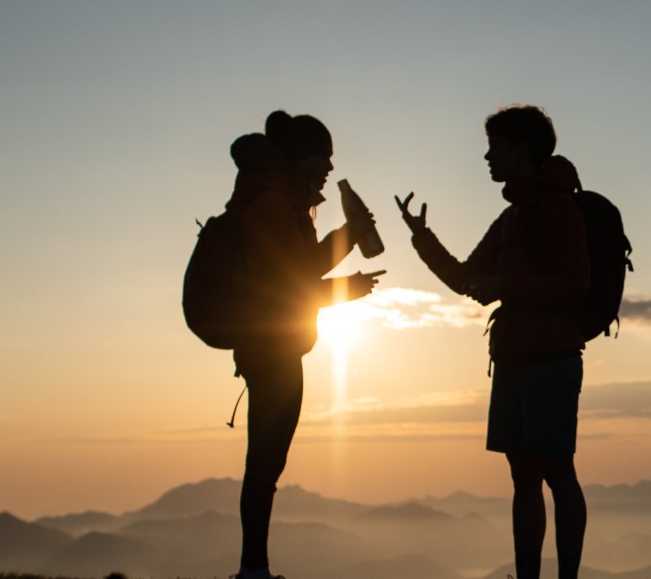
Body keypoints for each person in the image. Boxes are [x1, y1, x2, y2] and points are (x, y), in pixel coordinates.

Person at [396, 105, 591, 579]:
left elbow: (575, 283)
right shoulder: (511, 218)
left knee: (556, 473)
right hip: (513, 359)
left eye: (495, 147)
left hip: (549, 358)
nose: (487, 157)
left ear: (521, 149)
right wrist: (423, 240)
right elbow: (467, 280)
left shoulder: (557, 208)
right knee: (524, 476)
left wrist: (506, 287)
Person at [226, 111, 383, 579]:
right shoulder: (274, 204)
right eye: (324, 158)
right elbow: (285, 285)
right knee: (265, 463)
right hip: (270, 350)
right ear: (303, 157)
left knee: (266, 461)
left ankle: (255, 566)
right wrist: (346, 289)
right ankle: (253, 569)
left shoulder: (280, 201)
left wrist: (349, 237)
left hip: (273, 347)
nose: (330, 169)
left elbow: (300, 267)